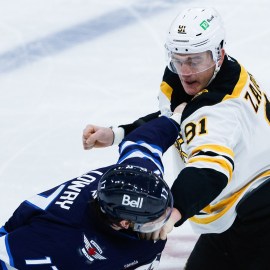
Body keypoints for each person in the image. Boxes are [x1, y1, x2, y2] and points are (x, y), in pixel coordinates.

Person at [82, 7, 270, 270]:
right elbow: (177, 118)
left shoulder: (221, 110)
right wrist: (118, 133)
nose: (186, 72)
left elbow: (209, 170)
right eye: (178, 59)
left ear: (219, 53)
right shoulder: (216, 75)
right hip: (234, 211)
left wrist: (173, 212)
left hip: (258, 215)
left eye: (195, 61)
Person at [0, 112, 184, 270]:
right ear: (125, 223)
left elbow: (143, 140)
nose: (164, 219)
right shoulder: (61, 245)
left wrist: (177, 117)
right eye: (154, 218)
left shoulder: (139, 177)